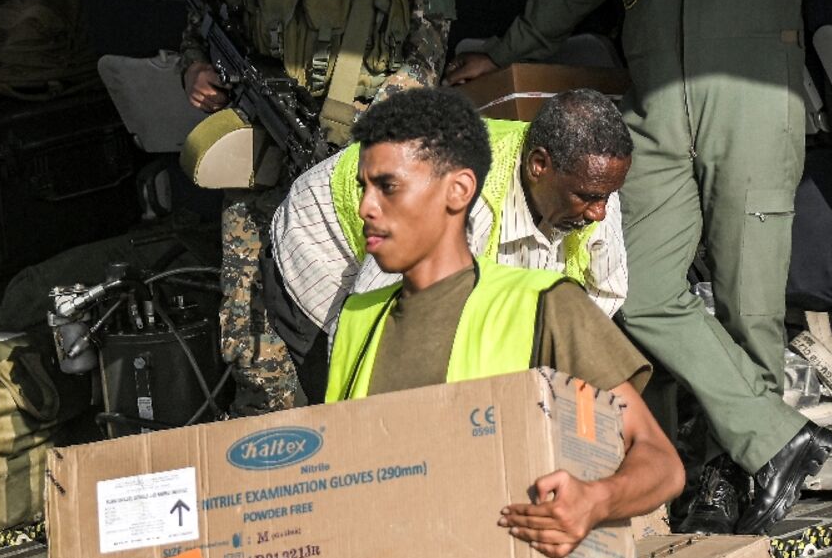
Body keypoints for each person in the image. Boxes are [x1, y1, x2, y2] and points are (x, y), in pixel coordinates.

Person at [444, 0, 832, 534]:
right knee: (638, 290)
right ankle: (772, 437)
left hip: (752, 93)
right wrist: (505, 51)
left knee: (749, 306)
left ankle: (728, 471)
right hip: (654, 103)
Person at [326, 87, 684, 557]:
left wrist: (596, 500)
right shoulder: (358, 321)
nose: (366, 208)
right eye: (365, 188)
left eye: (388, 188)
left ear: (456, 193)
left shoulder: (549, 306)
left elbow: (660, 462)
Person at [180, 0, 455, 415]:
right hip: (267, 149)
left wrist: (367, 139)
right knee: (250, 329)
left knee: (368, 315)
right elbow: (201, 21)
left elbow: (428, 50)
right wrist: (194, 69)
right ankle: (274, 436)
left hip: (362, 159)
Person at [269, 89, 633, 402]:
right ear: (539, 165)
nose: (600, 212)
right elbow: (377, 328)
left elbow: (599, 301)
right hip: (327, 252)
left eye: (607, 195)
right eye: (589, 197)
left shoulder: (592, 184)